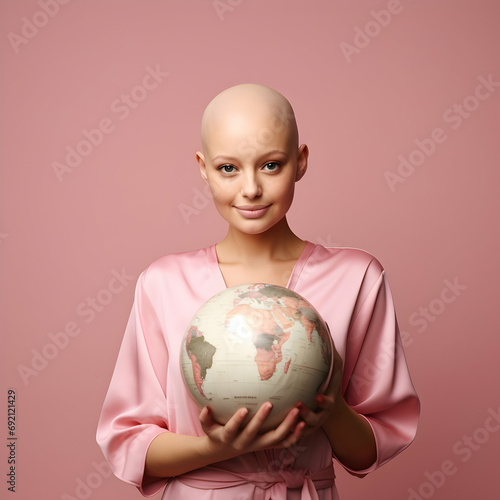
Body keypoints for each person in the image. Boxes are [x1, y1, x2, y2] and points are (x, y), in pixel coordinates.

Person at [96, 83, 420, 499]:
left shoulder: (357, 278)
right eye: (228, 168)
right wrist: (212, 448)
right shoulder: (163, 283)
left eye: (270, 165)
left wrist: (334, 409)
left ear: (300, 161)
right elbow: (129, 444)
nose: (250, 189)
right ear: (203, 167)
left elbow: (366, 453)